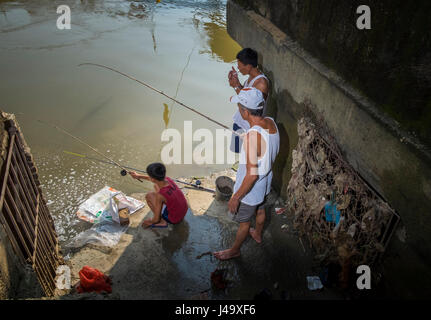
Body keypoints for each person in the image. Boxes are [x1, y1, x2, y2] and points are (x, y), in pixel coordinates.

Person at [213, 87, 280, 260]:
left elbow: (251, 176)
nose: (238, 110)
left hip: (250, 190)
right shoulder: (271, 122)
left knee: (243, 223)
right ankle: (257, 233)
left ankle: (234, 250)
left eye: (239, 107)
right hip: (266, 183)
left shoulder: (252, 138)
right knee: (261, 210)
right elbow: (264, 147)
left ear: (244, 111)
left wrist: (236, 197)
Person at [228, 48, 270, 153]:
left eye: (239, 65)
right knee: (236, 150)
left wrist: (236, 87)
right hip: (241, 119)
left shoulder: (261, 83)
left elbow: (252, 105)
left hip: (248, 125)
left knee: (246, 153)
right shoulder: (251, 77)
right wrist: (236, 83)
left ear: (248, 66)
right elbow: (247, 95)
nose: (238, 67)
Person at [129, 162, 189, 228]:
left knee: (149, 196)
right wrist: (138, 176)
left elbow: (156, 219)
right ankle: (164, 208)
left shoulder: (161, 195)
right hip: (183, 210)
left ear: (153, 179)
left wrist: (150, 222)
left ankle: (162, 222)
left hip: (174, 219)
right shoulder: (168, 179)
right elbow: (152, 179)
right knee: (156, 185)